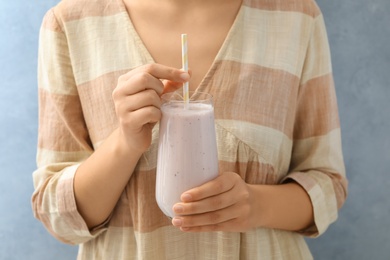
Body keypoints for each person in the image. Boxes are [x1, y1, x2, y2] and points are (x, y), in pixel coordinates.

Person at [31, 0, 348, 259]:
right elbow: (57, 215)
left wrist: (257, 204)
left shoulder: (297, 17)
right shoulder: (69, 24)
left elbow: (327, 184)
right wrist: (125, 143)